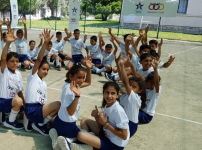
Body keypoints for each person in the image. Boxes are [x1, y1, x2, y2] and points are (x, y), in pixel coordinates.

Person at [49, 57, 92, 150]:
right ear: (71, 76)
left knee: (85, 135)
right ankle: (67, 140)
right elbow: (70, 112)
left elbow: (88, 82)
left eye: (83, 77)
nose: (82, 80)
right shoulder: (71, 90)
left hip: (58, 122)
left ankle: (57, 136)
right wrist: (77, 96)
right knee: (87, 138)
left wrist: (88, 68)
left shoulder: (71, 84)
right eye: (79, 77)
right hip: (67, 126)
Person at [23, 29, 61, 135]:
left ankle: (39, 123)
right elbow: (39, 59)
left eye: (47, 70)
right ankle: (39, 124)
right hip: (32, 109)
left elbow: (43, 101)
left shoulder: (44, 84)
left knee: (57, 110)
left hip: (39, 109)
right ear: (37, 69)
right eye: (43, 69)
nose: (46, 71)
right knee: (58, 104)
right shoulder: (33, 76)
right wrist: (45, 43)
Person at [72, 82, 130, 150]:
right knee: (85, 120)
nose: (109, 96)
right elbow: (102, 127)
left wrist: (106, 124)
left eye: (113, 93)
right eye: (107, 92)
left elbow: (124, 136)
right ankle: (86, 144)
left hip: (114, 144)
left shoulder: (118, 111)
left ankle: (86, 144)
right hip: (107, 134)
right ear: (103, 93)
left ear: (117, 95)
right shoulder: (107, 105)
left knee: (80, 135)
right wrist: (96, 117)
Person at [0, 28, 25, 130]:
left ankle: (6, 116)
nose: (15, 63)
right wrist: (8, 43)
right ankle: (10, 122)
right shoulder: (4, 71)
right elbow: (3, 58)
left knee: (24, 108)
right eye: (12, 61)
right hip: (2, 101)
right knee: (18, 101)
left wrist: (25, 104)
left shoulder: (18, 74)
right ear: (6, 63)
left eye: (17, 61)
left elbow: (19, 92)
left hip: (11, 102)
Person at [138, 58, 161, 124]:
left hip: (146, 116)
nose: (153, 85)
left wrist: (155, 69)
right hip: (140, 111)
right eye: (151, 83)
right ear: (146, 82)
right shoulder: (144, 88)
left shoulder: (155, 92)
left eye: (154, 84)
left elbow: (156, 82)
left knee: (129, 112)